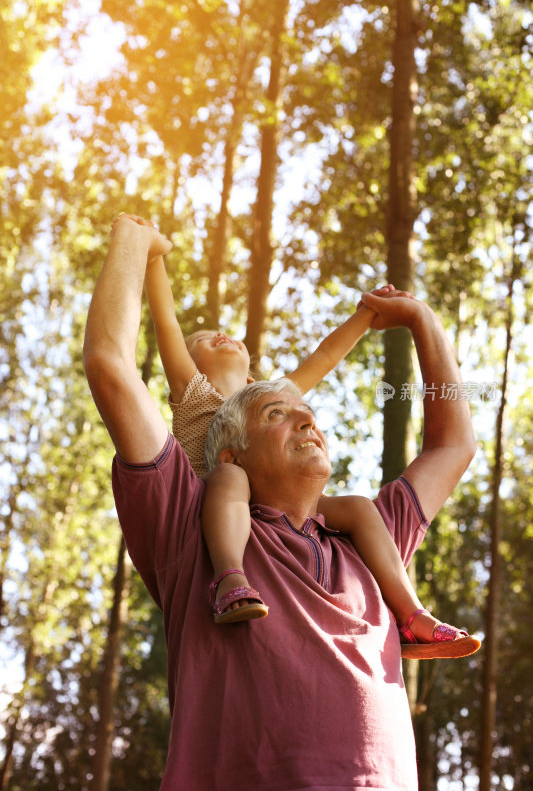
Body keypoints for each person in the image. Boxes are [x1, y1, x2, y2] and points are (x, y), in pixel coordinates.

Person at [83, 214, 477, 790]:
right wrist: (135, 241)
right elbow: (111, 367)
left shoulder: (368, 539)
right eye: (277, 415)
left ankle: (414, 612)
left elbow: (454, 444)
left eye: (308, 415)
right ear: (235, 453)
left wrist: (420, 319)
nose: (305, 417)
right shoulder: (190, 525)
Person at [138, 213, 477, 658]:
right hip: (229, 496)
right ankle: (229, 577)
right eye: (203, 339)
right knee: (230, 480)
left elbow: (325, 355)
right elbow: (167, 326)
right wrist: (152, 257)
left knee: (356, 508)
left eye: (228, 335)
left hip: (285, 499)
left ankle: (410, 613)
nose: (220, 335)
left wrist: (368, 313)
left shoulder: (270, 400)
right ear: (189, 362)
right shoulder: (194, 395)